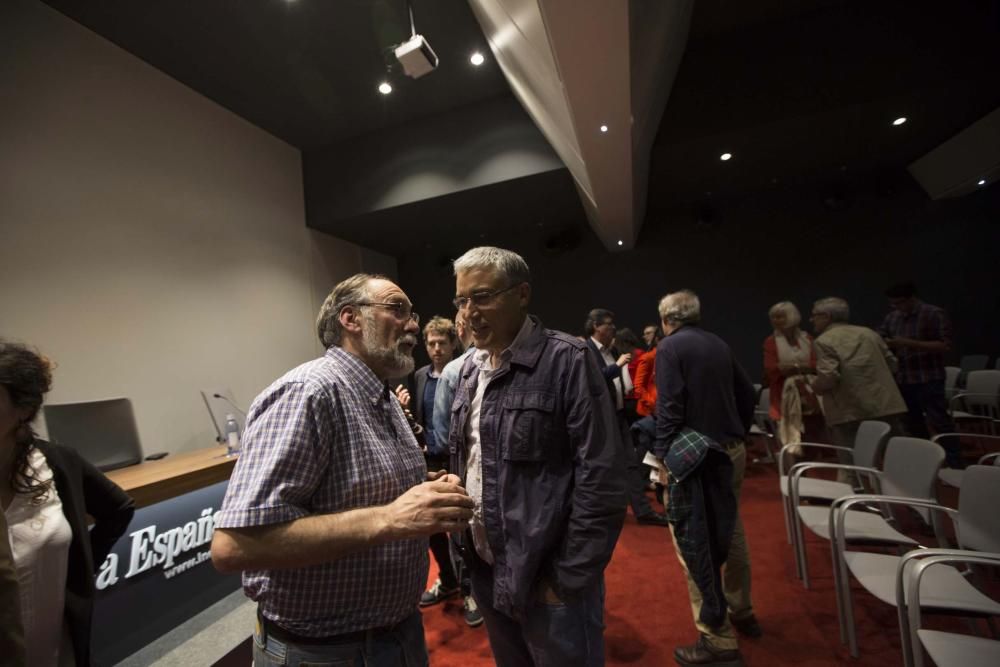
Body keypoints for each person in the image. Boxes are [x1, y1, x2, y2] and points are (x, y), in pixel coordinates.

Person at [211, 274, 474, 667]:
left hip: (398, 635)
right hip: (322, 653)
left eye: (412, 313)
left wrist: (426, 490)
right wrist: (391, 517)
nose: (414, 325)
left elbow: (361, 490)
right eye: (397, 309)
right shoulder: (309, 393)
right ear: (351, 318)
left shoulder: (383, 396)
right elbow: (234, 547)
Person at [449, 247, 626, 666]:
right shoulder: (471, 371)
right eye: (461, 300)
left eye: (483, 296)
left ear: (522, 294)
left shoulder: (568, 359)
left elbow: (601, 476)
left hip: (548, 579)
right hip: (488, 572)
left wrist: (567, 577)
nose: (469, 312)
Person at [1, 340, 135, 667]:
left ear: (22, 408)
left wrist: (80, 573)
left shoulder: (55, 462)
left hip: (55, 648)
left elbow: (119, 509)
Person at [654, 291, 759, 667]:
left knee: (692, 540)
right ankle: (742, 610)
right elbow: (747, 393)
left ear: (666, 318)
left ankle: (716, 637)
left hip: (695, 456)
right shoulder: (718, 343)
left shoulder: (670, 348)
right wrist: (736, 431)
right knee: (731, 531)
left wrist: (664, 457)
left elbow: (670, 407)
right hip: (731, 449)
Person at [586, 308, 668, 526]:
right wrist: (617, 366)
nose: (613, 328)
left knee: (631, 464)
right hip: (601, 420)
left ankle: (643, 511)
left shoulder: (611, 350)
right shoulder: (587, 350)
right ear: (596, 326)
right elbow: (593, 380)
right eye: (609, 325)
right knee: (599, 467)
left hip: (619, 415)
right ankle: (596, 512)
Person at [810, 297, 906, 479]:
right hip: (886, 404)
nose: (811, 320)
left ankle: (858, 502)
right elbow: (893, 364)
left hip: (849, 409)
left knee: (851, 462)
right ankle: (910, 502)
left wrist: (815, 387)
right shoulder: (869, 333)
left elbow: (828, 376)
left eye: (814, 315)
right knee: (895, 459)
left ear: (826, 316)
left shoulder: (824, 340)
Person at [428, 311, 483, 627]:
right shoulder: (425, 375)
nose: (436, 348)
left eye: (441, 342)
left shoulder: (458, 369)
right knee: (450, 534)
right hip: (443, 464)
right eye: (431, 343)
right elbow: (438, 427)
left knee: (465, 533)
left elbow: (444, 430)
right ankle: (456, 584)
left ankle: (471, 591)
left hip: (457, 463)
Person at [878, 282, 959, 466]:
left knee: (939, 421)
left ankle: (955, 463)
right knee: (912, 423)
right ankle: (925, 462)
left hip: (928, 376)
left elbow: (944, 345)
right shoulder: (893, 317)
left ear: (912, 298)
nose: (897, 307)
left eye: (900, 303)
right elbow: (881, 336)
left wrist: (908, 343)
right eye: (893, 304)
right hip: (904, 377)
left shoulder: (933, 313)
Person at [762, 301, 825, 450]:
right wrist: (803, 367)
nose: (775, 321)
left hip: (810, 392)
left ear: (791, 317)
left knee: (813, 431)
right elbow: (772, 368)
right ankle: (791, 468)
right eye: (773, 317)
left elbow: (817, 365)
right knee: (789, 434)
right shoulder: (771, 342)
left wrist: (793, 367)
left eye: (780, 317)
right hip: (783, 392)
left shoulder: (807, 339)